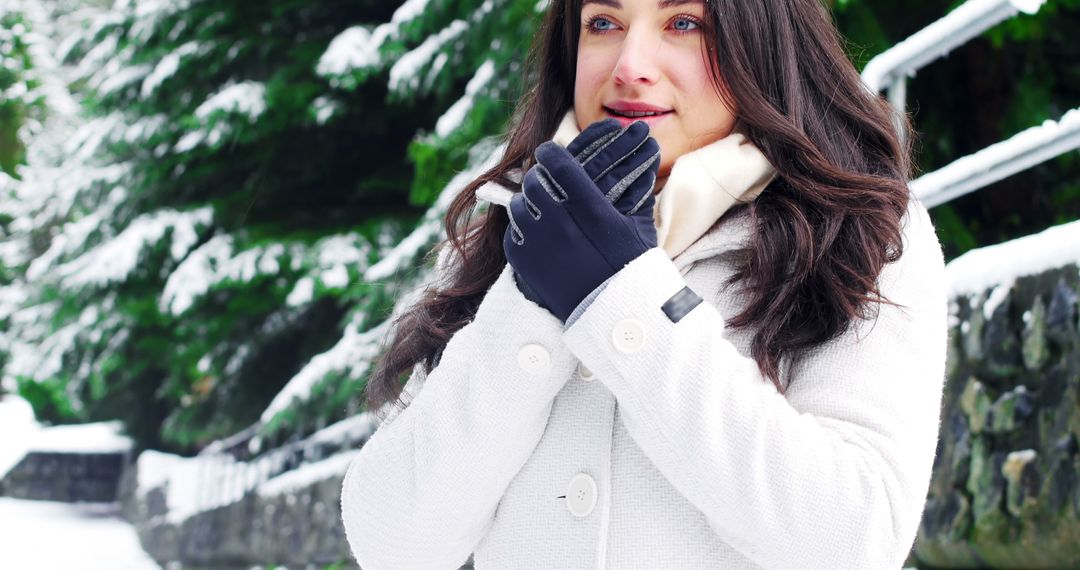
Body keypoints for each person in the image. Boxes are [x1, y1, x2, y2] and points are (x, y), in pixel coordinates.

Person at [341, 0, 948, 568]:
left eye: (683, 23)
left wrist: (622, 298)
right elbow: (393, 543)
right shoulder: (509, 229)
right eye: (603, 23)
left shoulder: (862, 233)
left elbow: (854, 539)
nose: (630, 68)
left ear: (761, 37)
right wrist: (530, 303)